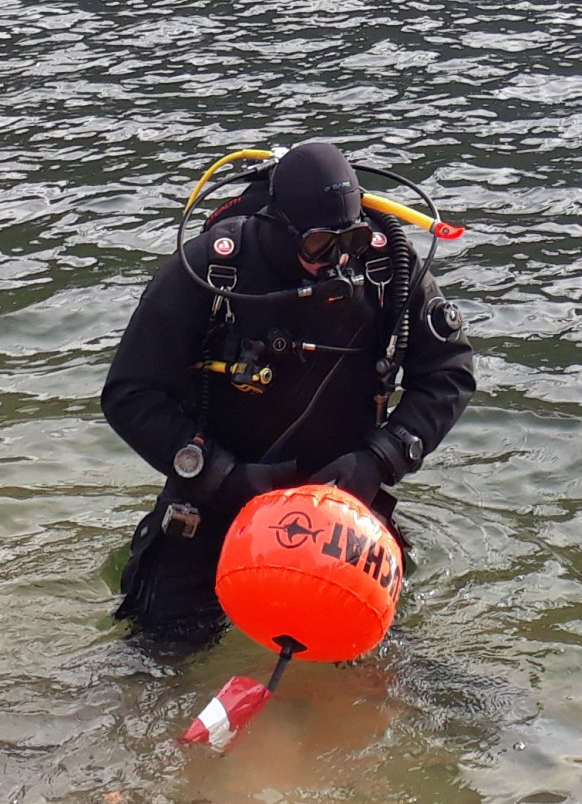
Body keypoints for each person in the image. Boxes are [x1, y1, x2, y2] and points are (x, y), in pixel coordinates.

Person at [101, 142, 475, 647]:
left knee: (373, 670)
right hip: (218, 502)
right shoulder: (213, 271)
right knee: (155, 661)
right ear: (277, 224)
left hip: (342, 510)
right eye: (321, 243)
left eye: (353, 238)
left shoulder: (388, 270)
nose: (340, 259)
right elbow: (131, 392)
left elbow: (448, 372)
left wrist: (380, 461)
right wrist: (222, 478)